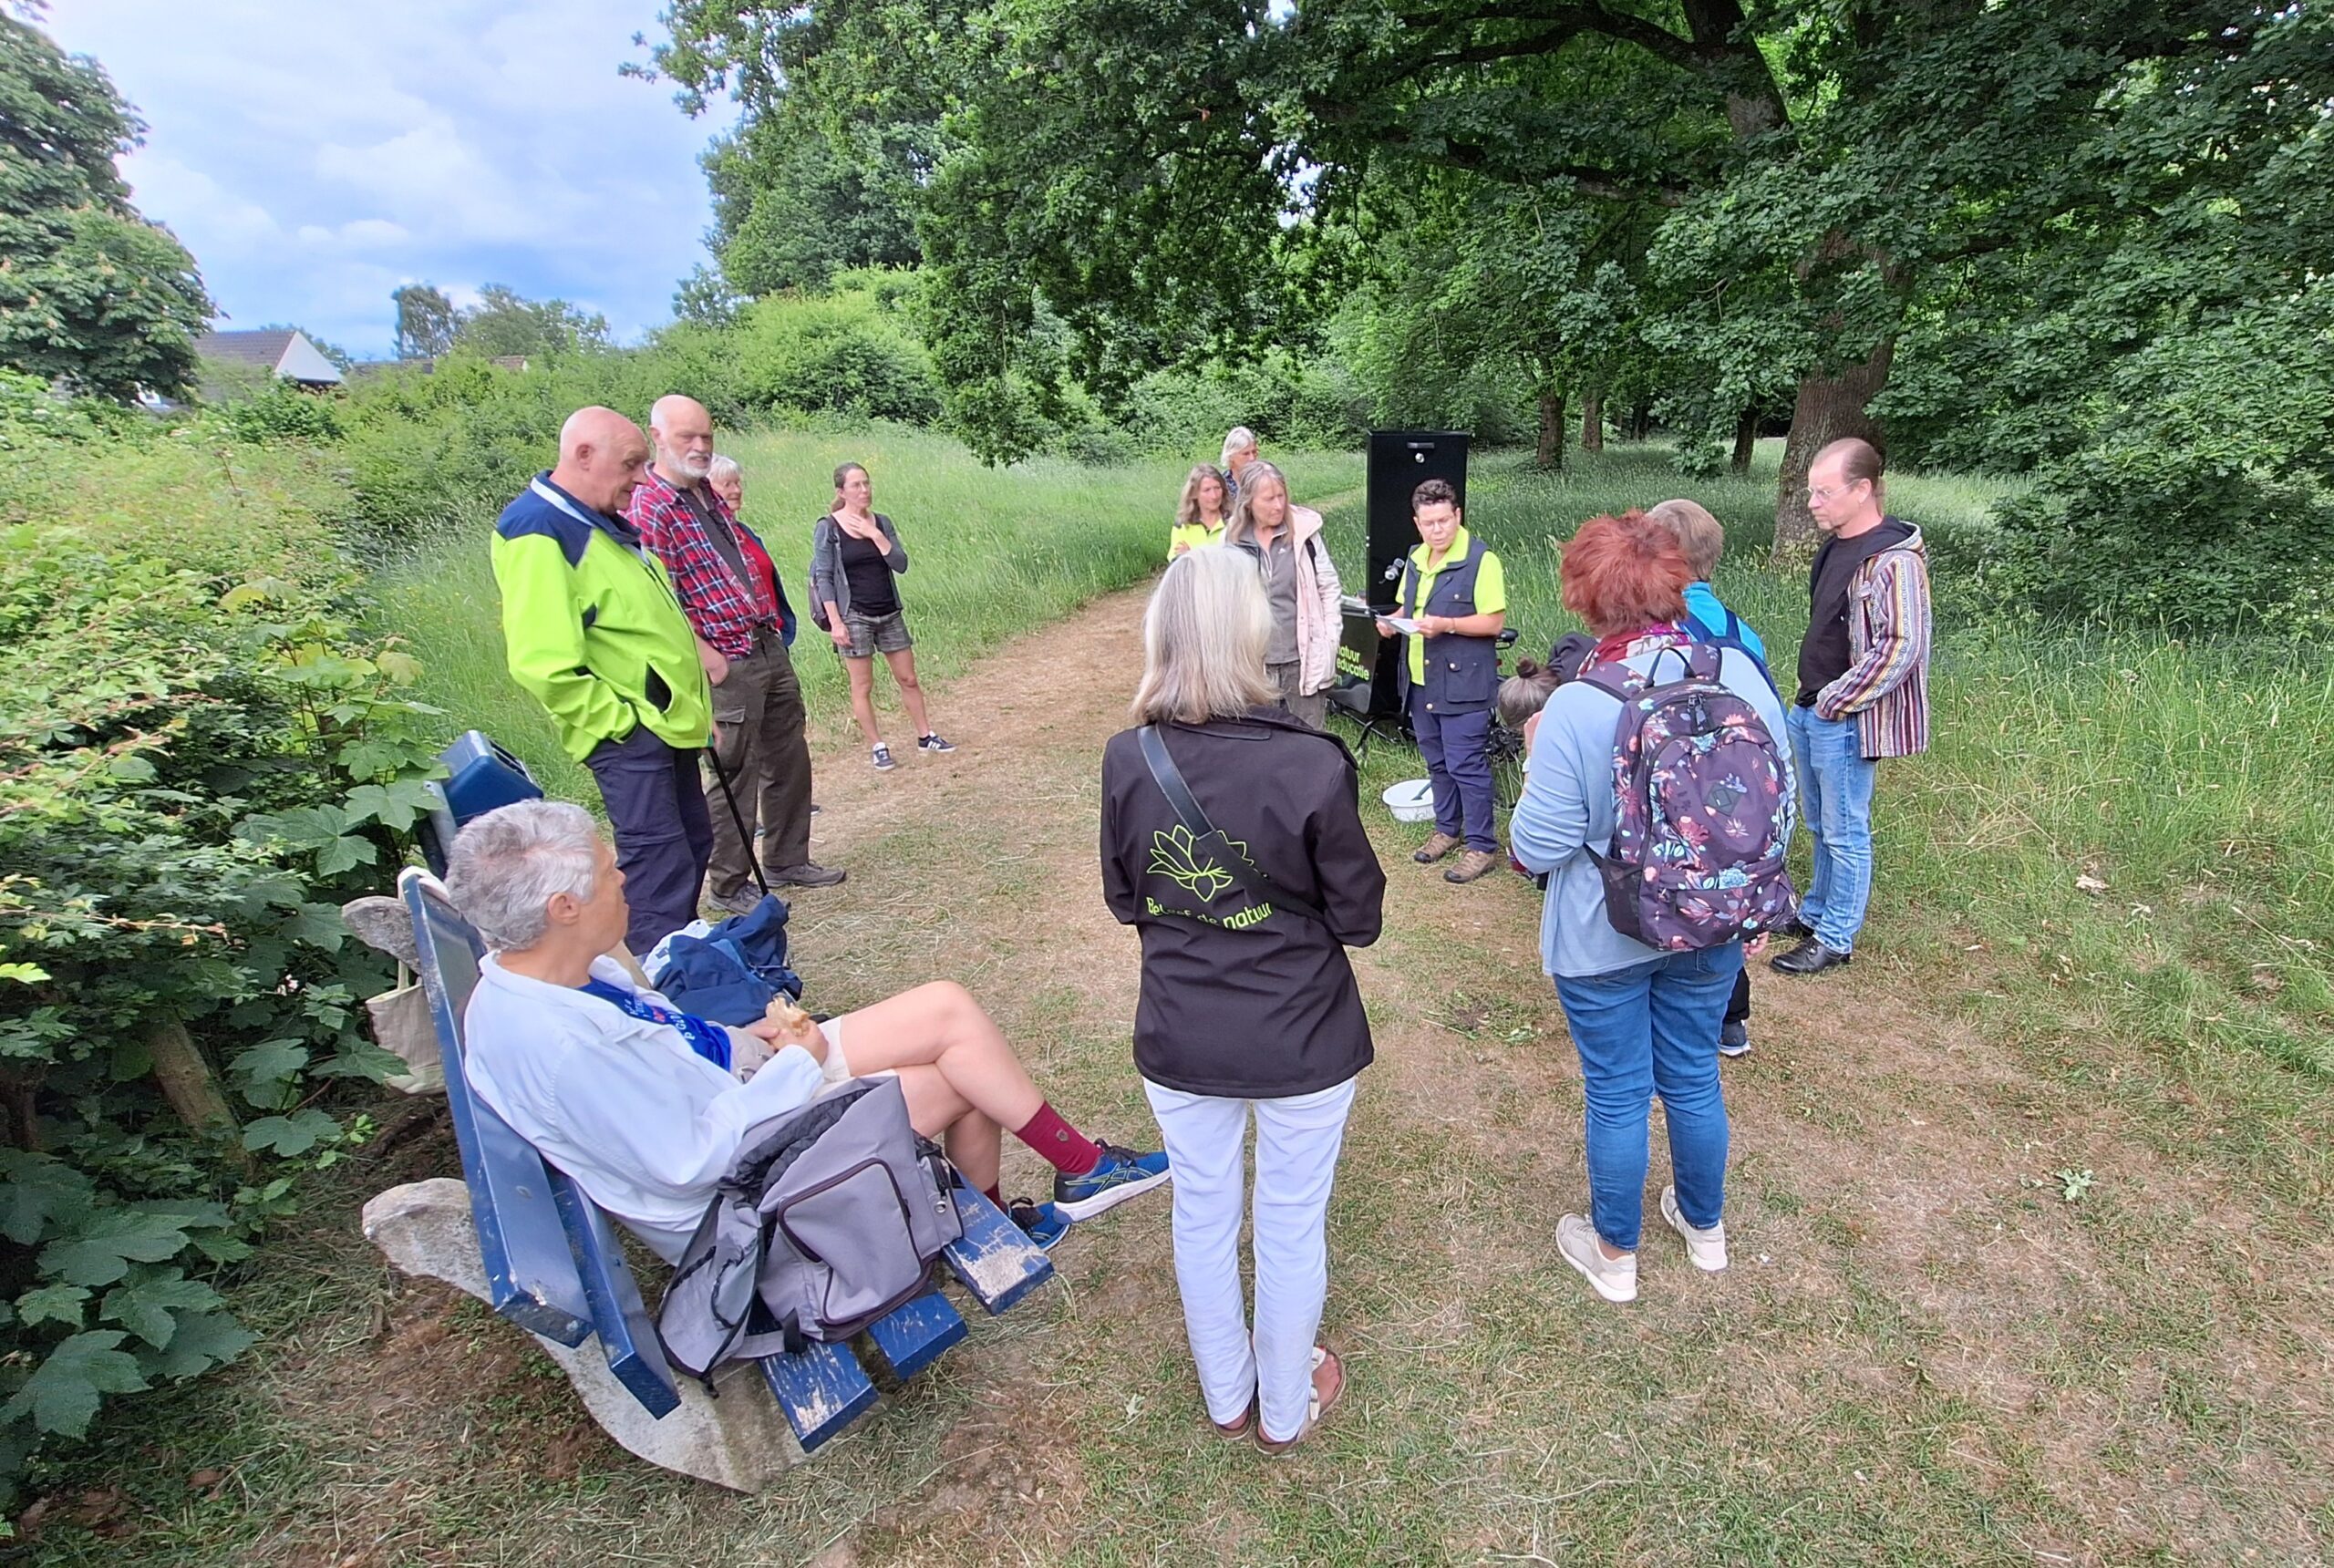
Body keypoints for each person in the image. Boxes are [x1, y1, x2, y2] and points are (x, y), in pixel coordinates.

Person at [449, 800, 1170, 1258]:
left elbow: (669, 1053)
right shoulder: (563, 1049)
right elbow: (691, 1162)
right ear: (562, 908)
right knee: (962, 1079)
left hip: (742, 1092)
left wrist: (753, 1044)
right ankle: (1016, 1209)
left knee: (948, 1009)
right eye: (611, 874)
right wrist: (798, 1065)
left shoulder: (551, 975)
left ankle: (1064, 1180)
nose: (626, 881)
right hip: (741, 1193)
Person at [1100, 549, 1385, 1451]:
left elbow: (1120, 897)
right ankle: (1281, 1404)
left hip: (1183, 1028)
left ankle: (1230, 1394)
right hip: (1300, 1033)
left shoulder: (1128, 757)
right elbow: (1360, 916)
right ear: (1252, 633)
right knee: (1289, 1222)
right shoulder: (1309, 765)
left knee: (1203, 1209)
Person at [1509, 511, 1793, 1305]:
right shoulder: (1738, 674)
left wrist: (1537, 761)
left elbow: (1538, 844)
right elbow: (1780, 803)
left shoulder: (1576, 705)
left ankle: (1616, 1254)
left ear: (1586, 602)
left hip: (1605, 934)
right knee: (1695, 1077)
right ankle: (1705, 1232)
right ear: (1679, 580)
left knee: (1618, 1092)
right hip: (1712, 923)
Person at [492, 406, 711, 958]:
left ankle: (686, 973)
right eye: (632, 463)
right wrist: (623, 725)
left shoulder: (598, 522)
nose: (641, 478)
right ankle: (667, 1006)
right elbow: (541, 662)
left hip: (667, 726)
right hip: (633, 738)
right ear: (583, 455)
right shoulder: (539, 529)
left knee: (687, 850)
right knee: (657, 869)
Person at [632, 397, 843, 912]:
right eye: (687, 437)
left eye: (706, 436)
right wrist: (706, 657)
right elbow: (653, 598)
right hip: (723, 659)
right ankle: (729, 882)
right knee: (734, 773)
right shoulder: (649, 506)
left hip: (764, 643)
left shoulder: (704, 492)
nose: (700, 446)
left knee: (788, 757)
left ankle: (787, 859)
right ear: (657, 437)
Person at [1772, 438, 1934, 977]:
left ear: (1862, 490)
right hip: (1809, 706)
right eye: (1810, 492)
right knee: (1818, 821)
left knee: (1845, 830)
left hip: (1845, 717)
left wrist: (1839, 700)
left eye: (1823, 492)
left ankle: (1835, 938)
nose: (1812, 503)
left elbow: (1903, 644)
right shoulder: (1836, 545)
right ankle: (1814, 912)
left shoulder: (1894, 560)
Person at [1647, 498, 1771, 1055]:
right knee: (1730, 898)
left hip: (1687, 791)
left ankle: (1676, 1007)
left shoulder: (1668, 631)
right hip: (1744, 795)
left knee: (1685, 897)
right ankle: (1732, 1016)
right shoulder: (1744, 631)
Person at [1378, 478, 1507, 884]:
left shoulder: (1482, 560)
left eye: (1444, 521)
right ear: (1417, 524)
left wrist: (1447, 624)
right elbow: (1407, 606)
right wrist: (1392, 622)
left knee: (1466, 764)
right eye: (1429, 523)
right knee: (1436, 761)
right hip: (1420, 680)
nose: (1437, 530)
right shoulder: (1415, 557)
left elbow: (1494, 622)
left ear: (1458, 516)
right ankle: (1448, 829)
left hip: (1465, 683)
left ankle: (1482, 845)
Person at [810, 462, 954, 771]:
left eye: (866, 483)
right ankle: (878, 746)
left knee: (909, 678)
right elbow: (823, 577)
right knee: (862, 685)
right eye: (856, 485)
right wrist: (836, 622)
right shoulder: (829, 528)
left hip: (888, 611)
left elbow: (900, 563)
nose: (864, 490)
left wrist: (875, 534)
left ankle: (925, 735)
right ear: (841, 492)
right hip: (854, 615)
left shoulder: (882, 522)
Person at [1223, 460, 1342, 729]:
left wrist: (1330, 640)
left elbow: (1329, 587)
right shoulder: (1230, 541)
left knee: (1310, 740)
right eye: (1269, 499)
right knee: (1259, 740)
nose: (1278, 505)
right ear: (1249, 502)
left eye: (1281, 496)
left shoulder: (1305, 533)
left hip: (1302, 659)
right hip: (1253, 663)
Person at [1169, 464, 1229, 558]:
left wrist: (1192, 555)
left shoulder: (1235, 522)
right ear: (1194, 494)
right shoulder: (1182, 525)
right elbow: (1178, 565)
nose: (1214, 496)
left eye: (1217, 488)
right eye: (1207, 490)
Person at [1219, 427, 1258, 513]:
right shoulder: (1221, 485)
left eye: (1254, 452)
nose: (1252, 458)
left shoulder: (1263, 481)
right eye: (1246, 454)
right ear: (1231, 456)